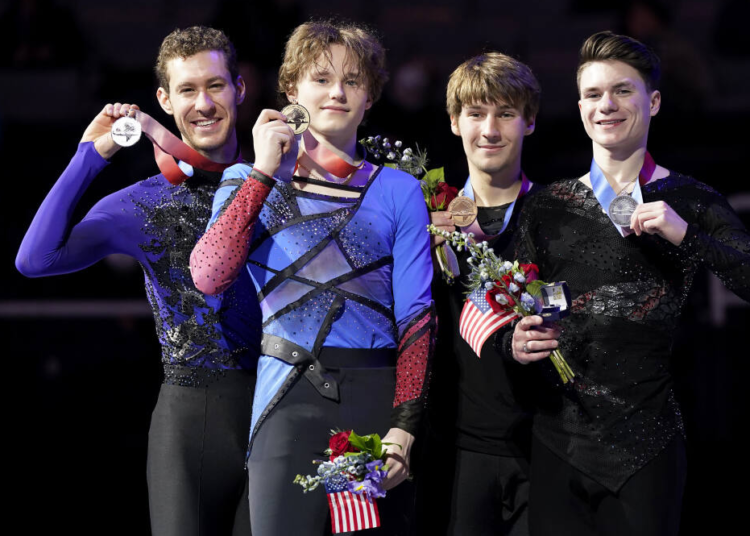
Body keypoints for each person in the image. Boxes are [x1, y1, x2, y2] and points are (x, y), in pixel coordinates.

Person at [190, 20, 435, 536]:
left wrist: (405, 426)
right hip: (286, 397)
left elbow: (416, 317)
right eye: (321, 78)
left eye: (353, 80)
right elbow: (209, 275)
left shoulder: (399, 191)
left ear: (371, 96)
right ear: (292, 89)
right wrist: (260, 173)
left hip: (375, 399)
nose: (338, 92)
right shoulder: (245, 179)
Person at [15, 26, 259, 536]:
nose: (204, 104)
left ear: (239, 88)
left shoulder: (275, 181)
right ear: (164, 101)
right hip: (190, 418)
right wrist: (90, 155)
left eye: (215, 86)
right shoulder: (141, 203)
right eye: (188, 90)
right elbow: (35, 260)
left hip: (281, 405)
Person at [508, 31, 750, 536]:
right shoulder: (547, 205)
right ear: (579, 109)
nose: (607, 105)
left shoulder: (691, 199)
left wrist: (685, 235)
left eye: (622, 90)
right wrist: (519, 339)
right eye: (594, 95)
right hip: (558, 441)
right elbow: (520, 304)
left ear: (653, 101)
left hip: (649, 443)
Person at [422, 52, 541, 536]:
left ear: (529, 122)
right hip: (454, 451)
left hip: (544, 448)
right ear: (454, 122)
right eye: (475, 113)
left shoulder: (554, 215)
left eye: (506, 114)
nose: (489, 130)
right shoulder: (427, 217)